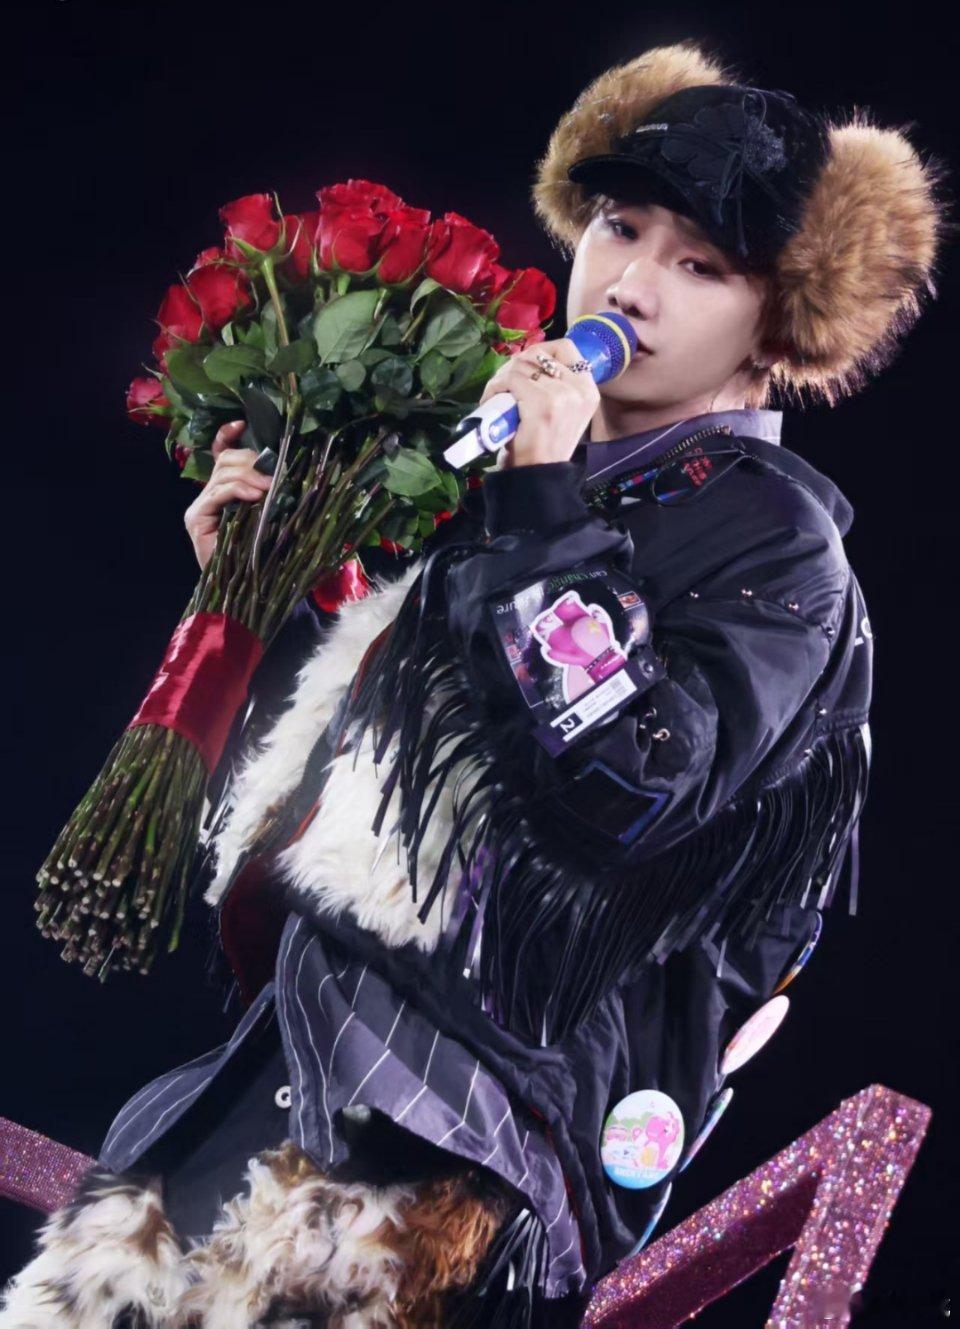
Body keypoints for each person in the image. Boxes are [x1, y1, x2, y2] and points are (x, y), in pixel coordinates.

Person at [1, 37, 950, 1329]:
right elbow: (403, 805)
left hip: (465, 1127)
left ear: (777, 315)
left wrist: (542, 501)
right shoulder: (549, 493)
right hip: (319, 1052)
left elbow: (626, 785)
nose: (633, 283)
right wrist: (270, 594)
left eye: (701, 265)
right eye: (619, 227)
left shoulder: (776, 543)